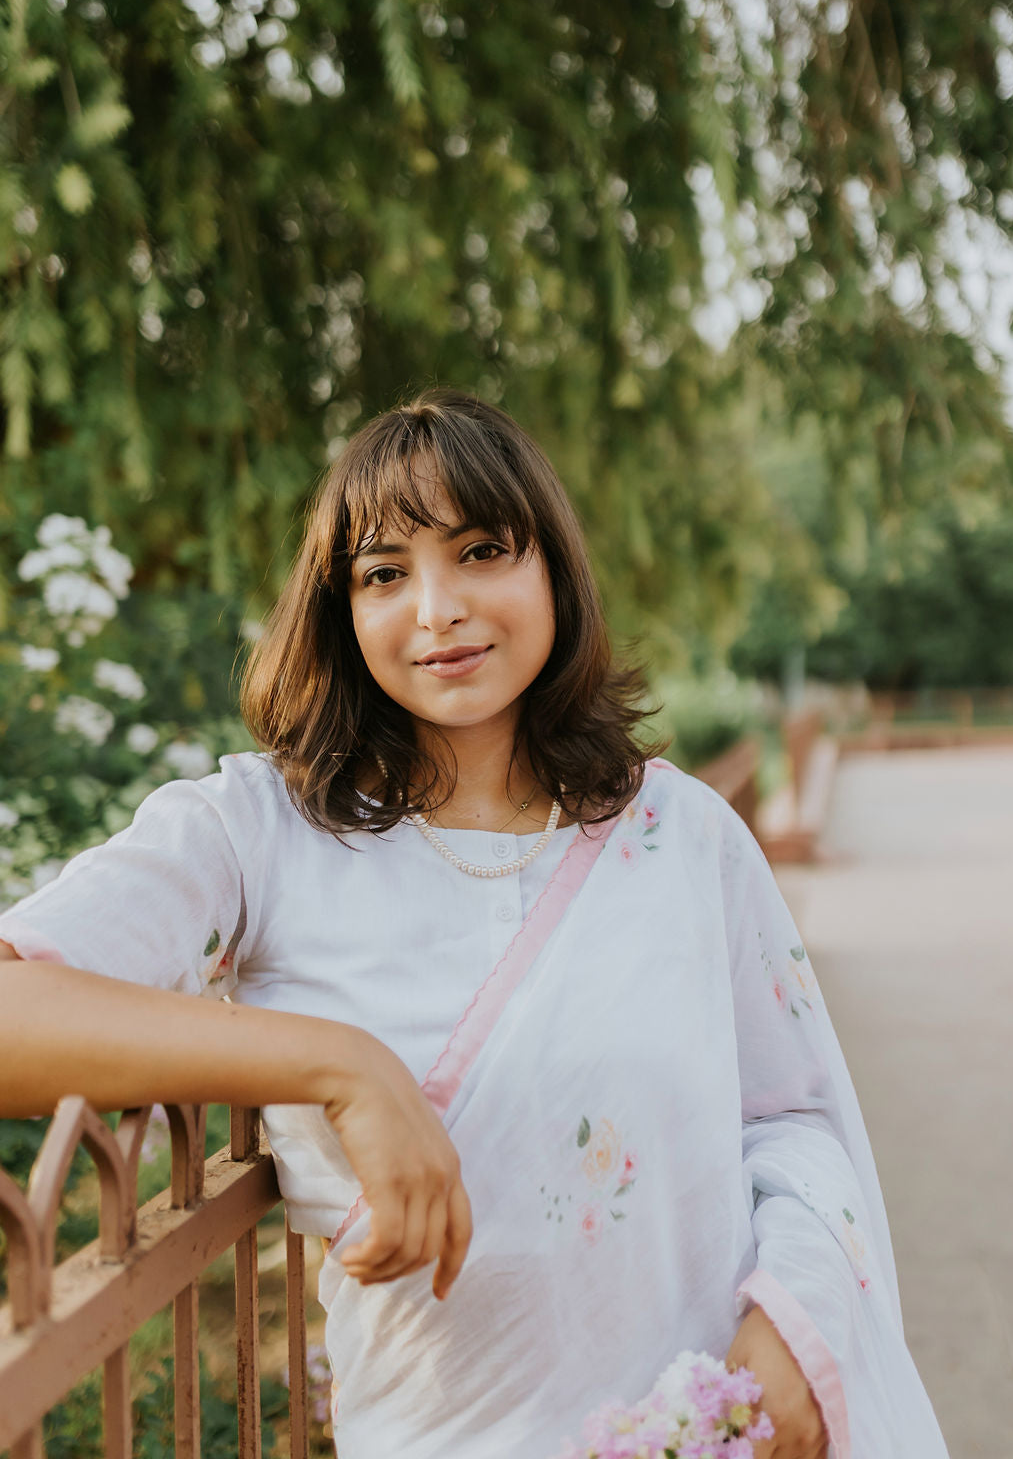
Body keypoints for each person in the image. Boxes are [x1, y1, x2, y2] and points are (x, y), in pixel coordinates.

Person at [0, 390, 948, 1459]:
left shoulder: (679, 835)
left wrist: (789, 1326)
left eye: (483, 549)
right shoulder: (254, 835)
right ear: (339, 611)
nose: (436, 608)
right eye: (384, 573)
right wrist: (339, 1065)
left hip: (702, 1423)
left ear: (554, 572)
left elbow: (790, 1120)